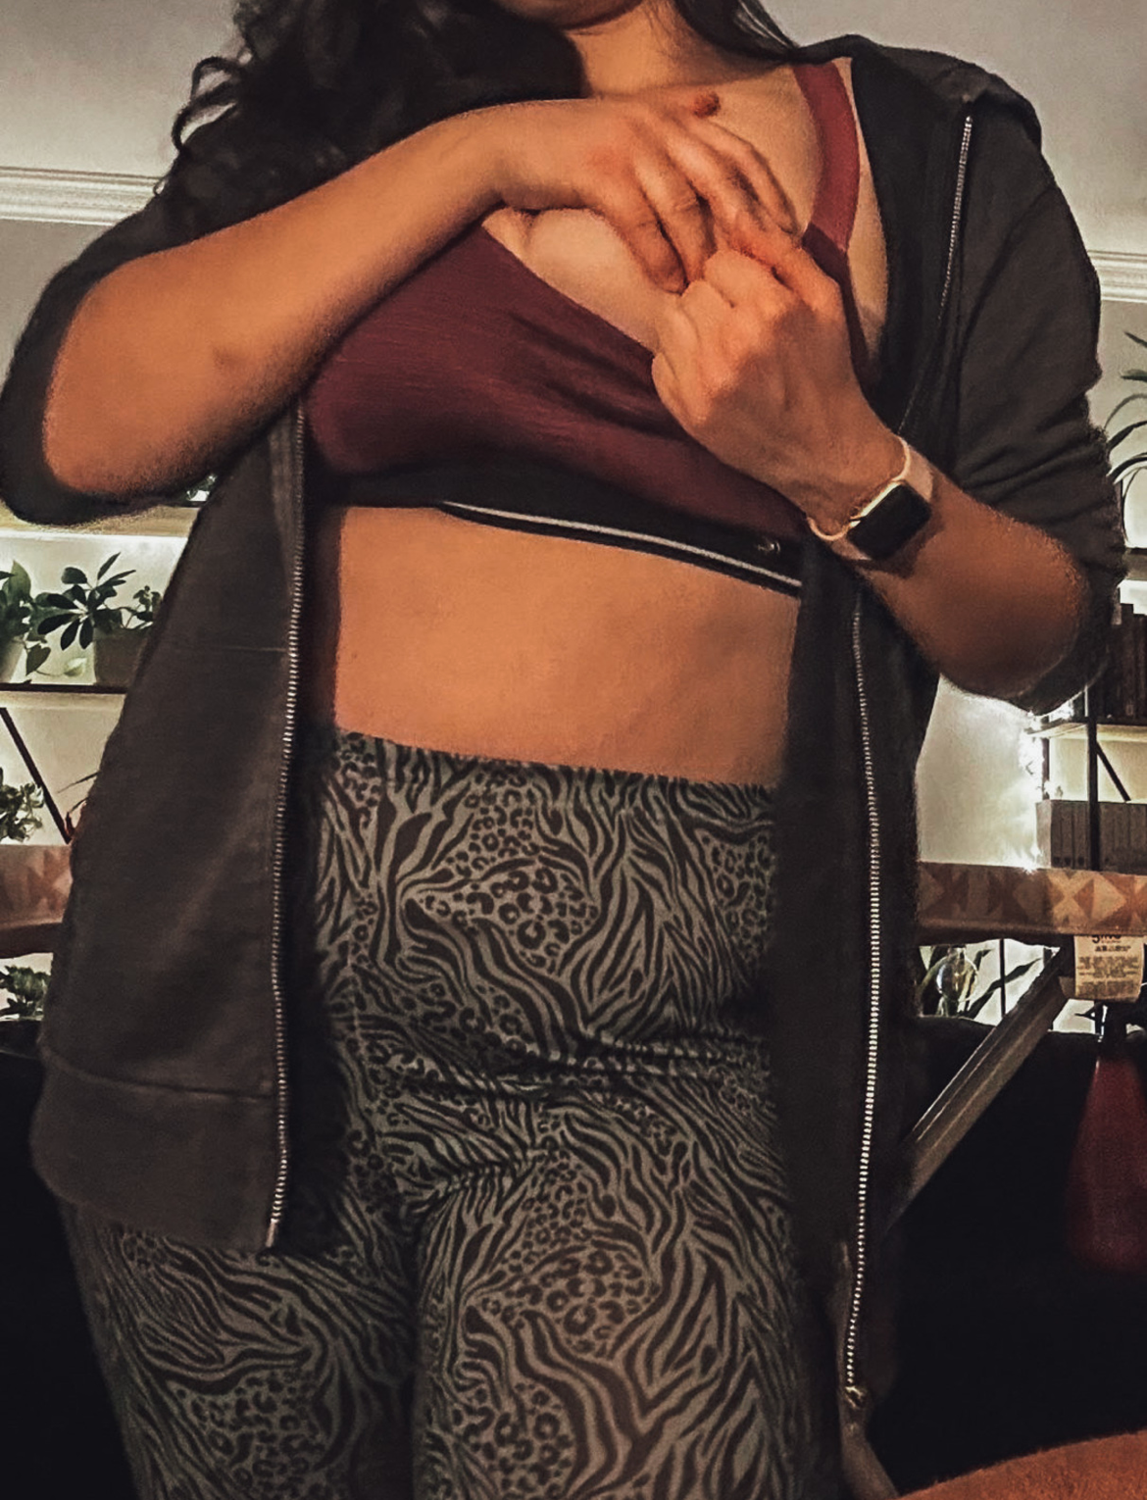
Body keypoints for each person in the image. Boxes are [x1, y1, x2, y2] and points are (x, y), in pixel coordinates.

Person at [0, 0, 1125, 1496]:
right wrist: (482, 151)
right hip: (221, 1034)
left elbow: (1047, 632)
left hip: (653, 1063)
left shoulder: (936, 149)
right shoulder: (349, 122)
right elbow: (64, 441)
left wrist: (843, 465)